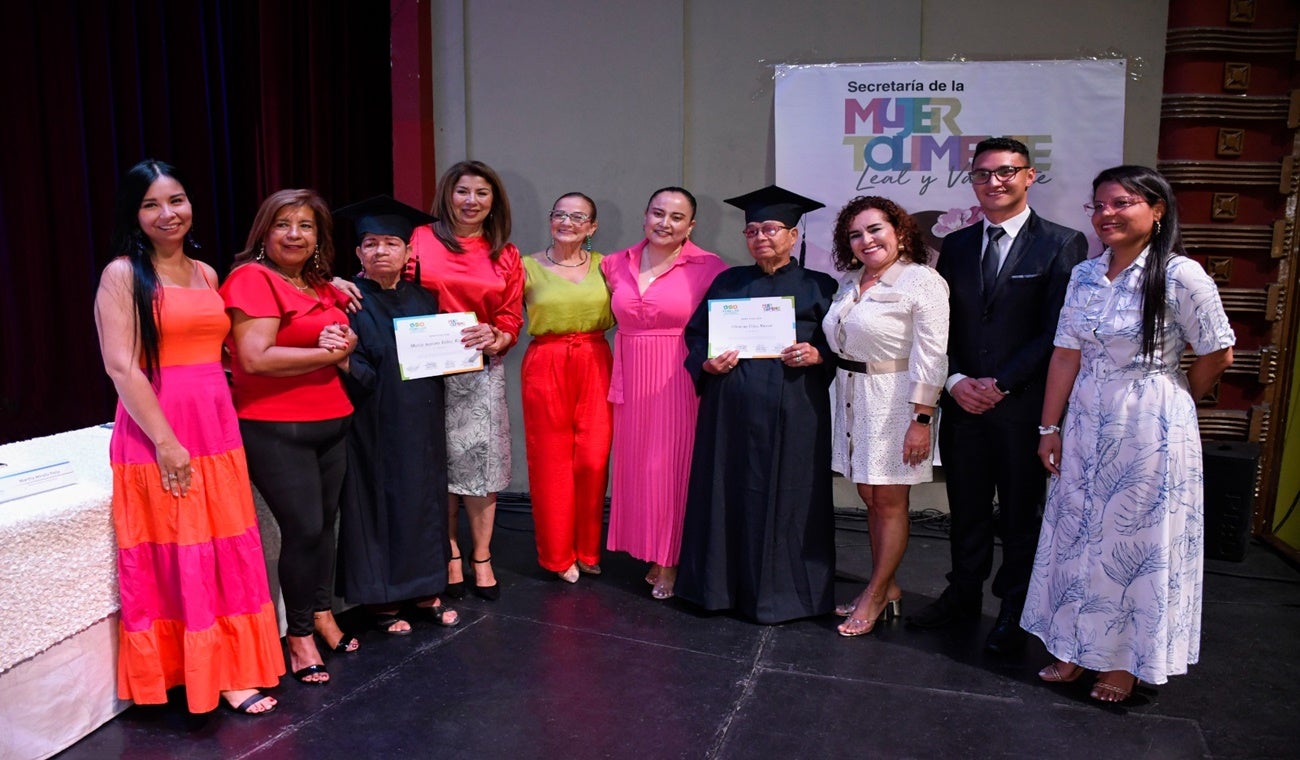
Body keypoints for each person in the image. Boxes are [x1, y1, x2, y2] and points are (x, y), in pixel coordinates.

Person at [1023, 165, 1234, 702]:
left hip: (1151, 424)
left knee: (1133, 541)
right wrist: (1050, 425)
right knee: (1077, 535)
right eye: (1098, 205)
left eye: (1121, 203)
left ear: (1157, 210)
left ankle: (1125, 661)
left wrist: (1175, 393)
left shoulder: (1181, 274)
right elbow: (1066, 353)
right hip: (1087, 418)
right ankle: (1072, 646)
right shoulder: (1085, 275)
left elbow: (1218, 351)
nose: (1106, 214)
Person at [94, 160, 283, 715]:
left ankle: (228, 668)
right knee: (183, 549)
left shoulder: (205, 273)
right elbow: (122, 367)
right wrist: (167, 441)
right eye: (152, 204)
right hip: (160, 428)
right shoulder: (123, 275)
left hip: (215, 425)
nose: (167, 213)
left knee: (223, 546)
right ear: (135, 214)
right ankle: (195, 672)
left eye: (175, 200)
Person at [909, 137, 1088, 655]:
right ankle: (962, 596)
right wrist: (957, 380)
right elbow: (945, 325)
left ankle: (1014, 609)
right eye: (983, 174)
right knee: (964, 509)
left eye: (1007, 171)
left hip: (1023, 405)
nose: (995, 182)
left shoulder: (1061, 242)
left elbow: (1057, 328)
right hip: (964, 403)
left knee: (1018, 515)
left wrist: (1002, 384)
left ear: (1029, 176)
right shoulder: (959, 245)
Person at [676, 185, 838, 623]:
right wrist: (706, 364)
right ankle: (718, 590)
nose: (760, 237)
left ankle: (789, 596)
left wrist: (818, 354)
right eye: (751, 230)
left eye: (770, 228)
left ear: (793, 233)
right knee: (724, 490)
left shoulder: (821, 286)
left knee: (793, 495)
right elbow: (696, 337)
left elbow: (840, 343)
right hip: (730, 412)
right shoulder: (728, 282)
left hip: (795, 412)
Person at [221, 189, 358, 686]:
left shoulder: (319, 284)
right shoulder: (251, 279)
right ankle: (298, 637)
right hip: (277, 429)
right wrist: (329, 355)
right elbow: (255, 358)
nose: (294, 234)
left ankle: (321, 614)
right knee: (303, 530)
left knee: (324, 529)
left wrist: (343, 337)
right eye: (283, 224)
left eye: (306, 226)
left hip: (333, 422)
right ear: (264, 231)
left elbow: (335, 332)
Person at [822, 196, 950, 636]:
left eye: (875, 229)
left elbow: (932, 355)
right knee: (870, 496)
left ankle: (875, 595)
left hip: (897, 401)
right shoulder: (850, 281)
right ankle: (888, 585)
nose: (866, 240)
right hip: (853, 397)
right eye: (856, 234)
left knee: (891, 501)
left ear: (899, 231)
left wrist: (921, 419)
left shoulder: (922, 281)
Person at [333, 196, 461, 632]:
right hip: (371, 419)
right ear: (358, 254)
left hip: (422, 416)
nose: (380, 251)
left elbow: (445, 359)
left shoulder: (425, 299)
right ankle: (382, 598)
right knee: (378, 499)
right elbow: (356, 367)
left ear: (409, 252)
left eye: (391, 243)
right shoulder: (348, 301)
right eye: (371, 244)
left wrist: (470, 343)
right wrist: (347, 361)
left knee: (424, 498)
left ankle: (426, 588)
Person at [603, 187, 728, 600]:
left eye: (677, 217)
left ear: (691, 226)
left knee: (670, 469)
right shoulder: (614, 263)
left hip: (679, 375)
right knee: (638, 467)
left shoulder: (710, 267)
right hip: (631, 376)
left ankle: (672, 559)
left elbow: (724, 325)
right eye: (658, 213)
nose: (665, 223)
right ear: (644, 216)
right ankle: (650, 551)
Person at [408, 160, 524, 601]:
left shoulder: (505, 253)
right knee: (437, 465)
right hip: (423, 370)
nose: (471, 201)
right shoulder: (418, 239)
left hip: (479, 370)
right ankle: (449, 551)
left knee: (480, 466)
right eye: (462, 191)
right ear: (447, 195)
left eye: (481, 193)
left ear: (494, 201)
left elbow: (512, 316)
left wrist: (498, 335)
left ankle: (482, 555)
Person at [521, 193, 614, 583]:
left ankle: (589, 549)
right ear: (550, 219)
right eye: (560, 214)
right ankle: (559, 557)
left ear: (592, 227)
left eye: (578, 217)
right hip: (546, 362)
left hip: (595, 360)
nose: (568, 222)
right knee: (551, 462)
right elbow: (495, 304)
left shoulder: (607, 265)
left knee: (593, 460)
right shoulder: (524, 266)